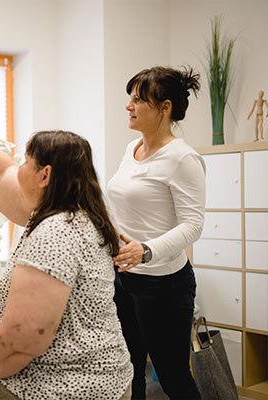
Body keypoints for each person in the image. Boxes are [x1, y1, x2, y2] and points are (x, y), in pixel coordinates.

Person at [0, 80, 133, 400]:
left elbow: (20, 341)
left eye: (24, 161)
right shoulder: (77, 210)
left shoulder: (54, 234)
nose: (16, 167)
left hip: (67, 382)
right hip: (65, 365)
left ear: (44, 175)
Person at [106, 66, 206, 399]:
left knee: (172, 375)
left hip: (164, 285)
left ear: (164, 108)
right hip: (123, 279)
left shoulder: (182, 158)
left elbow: (193, 225)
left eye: (138, 99)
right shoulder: (130, 149)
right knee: (127, 369)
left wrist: (145, 250)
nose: (128, 106)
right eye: (130, 98)